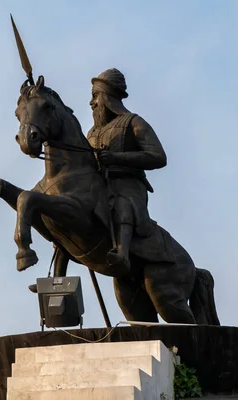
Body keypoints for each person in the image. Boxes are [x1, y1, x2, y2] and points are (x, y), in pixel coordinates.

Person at [87, 68, 167, 274]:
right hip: (101, 187)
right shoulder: (92, 133)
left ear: (107, 96)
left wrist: (116, 158)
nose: (91, 102)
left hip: (128, 186)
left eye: (95, 96)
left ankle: (122, 253)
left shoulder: (133, 122)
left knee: (122, 205)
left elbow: (158, 156)